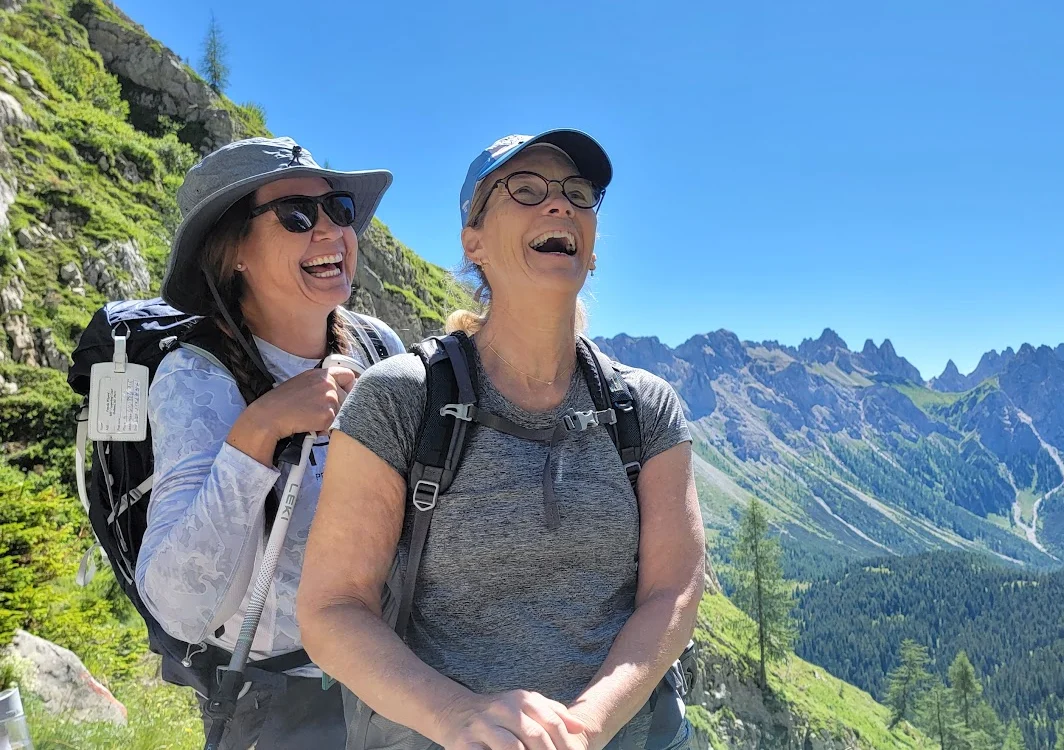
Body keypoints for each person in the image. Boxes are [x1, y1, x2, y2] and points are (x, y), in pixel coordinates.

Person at [298, 130, 705, 750]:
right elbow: (332, 608)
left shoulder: (643, 408)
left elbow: (672, 591)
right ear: (474, 242)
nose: (560, 205)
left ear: (591, 251)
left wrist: (588, 725)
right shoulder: (402, 398)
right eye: (527, 190)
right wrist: (458, 715)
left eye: (578, 194)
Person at [139, 136, 405, 748]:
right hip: (285, 699)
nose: (329, 231)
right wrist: (259, 430)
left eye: (338, 209)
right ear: (234, 252)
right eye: (294, 216)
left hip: (394, 669)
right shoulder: (197, 377)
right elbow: (181, 604)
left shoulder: (377, 347)